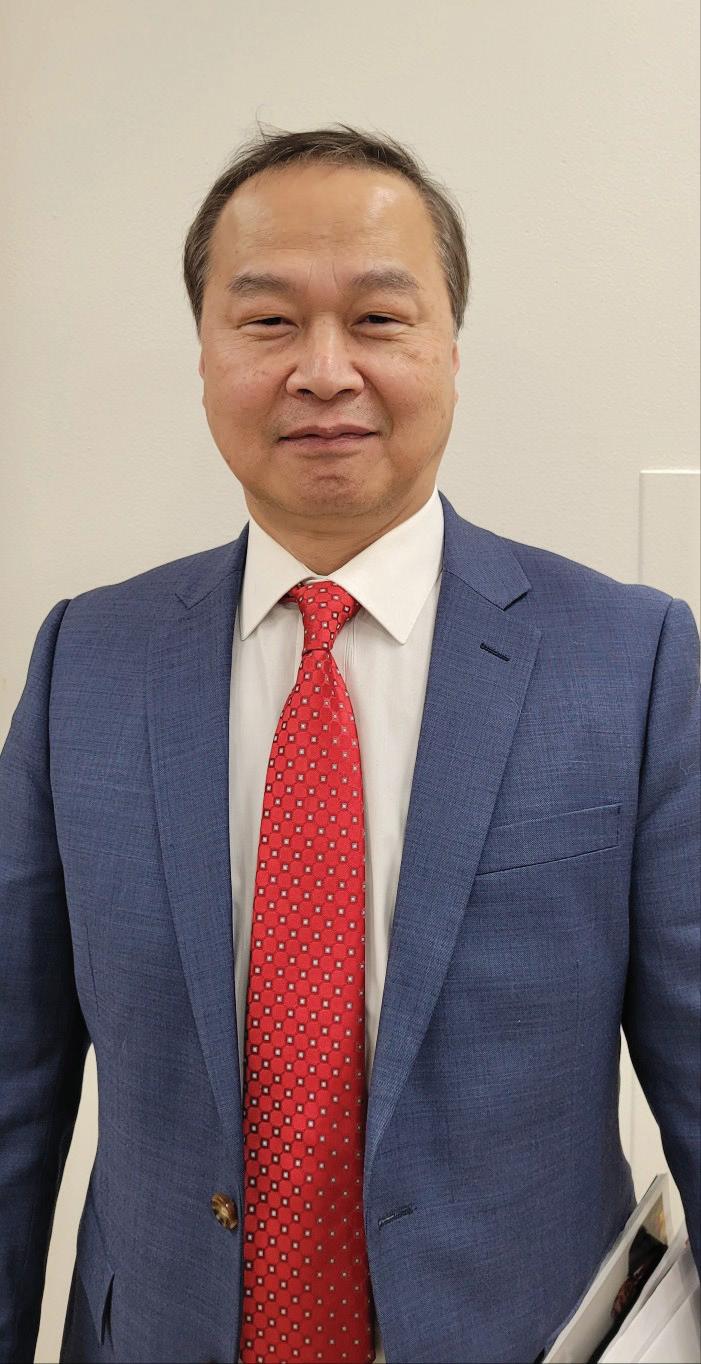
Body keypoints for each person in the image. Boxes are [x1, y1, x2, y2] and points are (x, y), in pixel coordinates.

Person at [0, 123, 698, 1364]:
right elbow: (12, 1085)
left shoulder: (627, 658)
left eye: (377, 319)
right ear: (205, 353)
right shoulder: (86, 663)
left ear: (449, 349)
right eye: (268, 322)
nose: (323, 372)